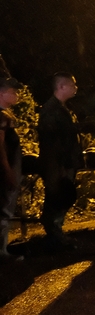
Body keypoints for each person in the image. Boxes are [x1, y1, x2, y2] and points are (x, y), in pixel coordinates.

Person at [37, 72, 82, 251]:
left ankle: (56, 234)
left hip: (64, 162)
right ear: (61, 87)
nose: (75, 88)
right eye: (72, 85)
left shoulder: (62, 109)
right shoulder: (52, 111)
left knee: (61, 197)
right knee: (57, 197)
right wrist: (60, 166)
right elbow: (52, 143)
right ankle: (54, 237)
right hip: (57, 164)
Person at [0, 77, 23, 262]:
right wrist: (8, 171)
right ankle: (2, 252)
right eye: (13, 91)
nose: (17, 95)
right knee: (4, 210)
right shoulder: (2, 117)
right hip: (4, 172)